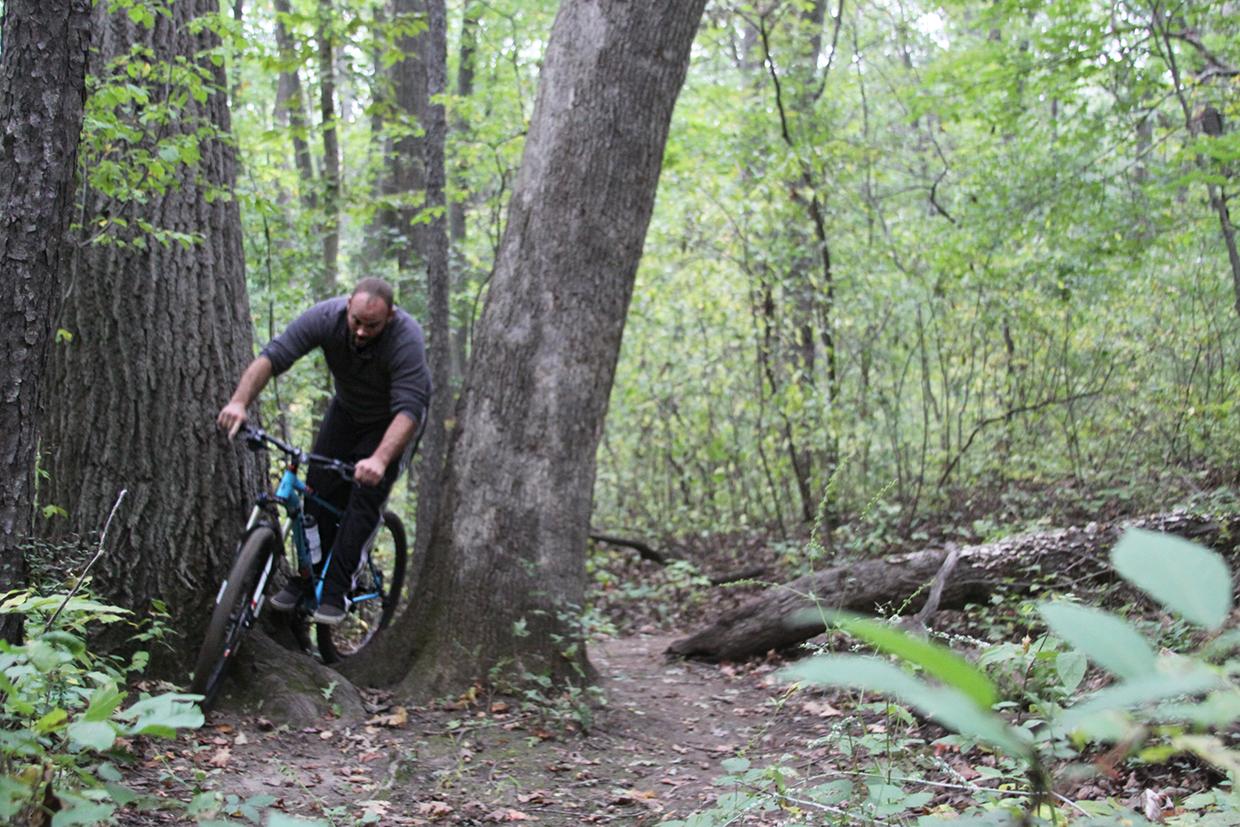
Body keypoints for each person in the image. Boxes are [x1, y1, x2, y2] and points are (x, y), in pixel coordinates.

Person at [217, 277, 431, 625]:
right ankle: (305, 578)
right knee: (315, 491)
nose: (361, 332)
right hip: (347, 411)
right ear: (348, 306)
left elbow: (409, 410)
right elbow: (274, 356)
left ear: (390, 317)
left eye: (371, 326)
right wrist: (239, 403)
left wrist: (378, 459)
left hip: (392, 423)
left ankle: (337, 589)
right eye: (356, 322)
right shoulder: (325, 318)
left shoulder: (406, 338)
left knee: (365, 498)